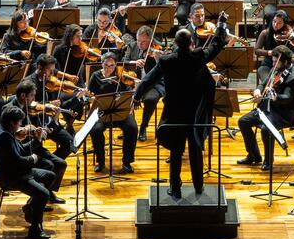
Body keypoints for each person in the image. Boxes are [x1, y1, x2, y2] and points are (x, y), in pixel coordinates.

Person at [135, 18, 229, 198]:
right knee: (195, 150)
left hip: (175, 113)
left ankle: (175, 188)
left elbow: (149, 80)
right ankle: (199, 186)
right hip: (195, 113)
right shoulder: (199, 56)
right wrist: (221, 26)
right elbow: (216, 45)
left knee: (176, 152)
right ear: (191, 44)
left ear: (175, 43)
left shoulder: (166, 60)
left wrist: (137, 96)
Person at [0, 106, 56, 239]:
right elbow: (17, 161)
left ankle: (30, 207)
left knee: (51, 176)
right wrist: (32, 159)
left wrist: (37, 140)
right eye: (19, 122)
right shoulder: (5, 136)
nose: (21, 125)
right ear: (12, 122)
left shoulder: (6, 130)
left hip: (19, 171)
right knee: (44, 194)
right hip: (13, 176)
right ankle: (34, 230)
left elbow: (21, 150)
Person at [237, 46, 294, 171]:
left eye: (275, 61)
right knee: (243, 122)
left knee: (266, 129)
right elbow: (263, 83)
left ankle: (268, 160)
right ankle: (253, 155)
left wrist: (274, 95)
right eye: (272, 61)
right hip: (267, 108)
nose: (273, 63)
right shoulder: (275, 69)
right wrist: (258, 90)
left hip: (282, 113)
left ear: (286, 62)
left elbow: (287, 98)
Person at [85, 53, 137, 174]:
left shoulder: (120, 75)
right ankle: (101, 162)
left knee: (132, 127)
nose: (109, 68)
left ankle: (127, 162)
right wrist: (91, 98)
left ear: (116, 65)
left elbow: (129, 92)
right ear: (101, 64)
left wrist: (135, 89)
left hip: (119, 110)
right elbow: (90, 95)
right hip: (102, 112)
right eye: (106, 65)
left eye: (112, 65)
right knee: (95, 130)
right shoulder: (95, 76)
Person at [122, 26, 163, 141]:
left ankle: (143, 127)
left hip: (152, 84)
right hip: (133, 81)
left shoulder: (158, 47)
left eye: (144, 41)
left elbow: (165, 69)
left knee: (150, 100)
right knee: (122, 97)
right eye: (138, 40)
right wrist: (134, 62)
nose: (140, 44)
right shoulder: (132, 45)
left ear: (151, 40)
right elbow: (124, 62)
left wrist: (158, 59)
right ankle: (129, 128)